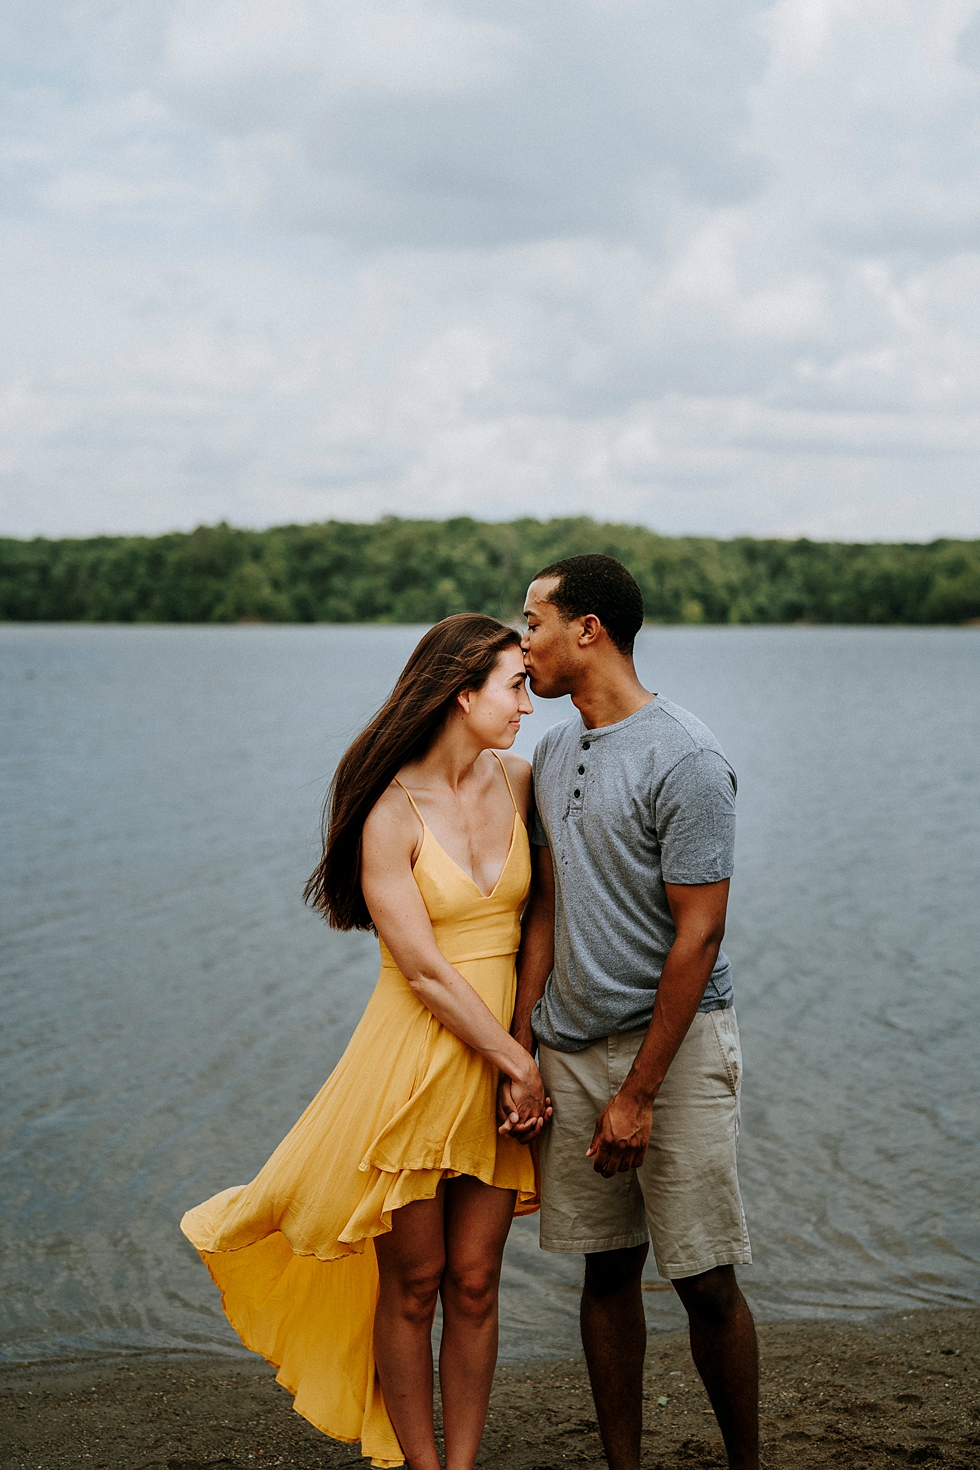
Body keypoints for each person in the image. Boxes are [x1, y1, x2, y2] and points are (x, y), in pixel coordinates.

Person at [181, 614, 551, 1470]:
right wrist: (515, 1060)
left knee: (476, 1280)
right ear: (463, 694)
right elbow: (421, 970)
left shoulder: (524, 782)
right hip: (413, 1067)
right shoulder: (390, 810)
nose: (527, 705)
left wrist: (522, 1046)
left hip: (504, 1063)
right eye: (514, 686)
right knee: (414, 1283)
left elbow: (542, 922)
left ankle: (462, 1464)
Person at [502, 554, 759, 1470]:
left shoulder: (687, 757)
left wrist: (641, 1093)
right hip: (570, 1050)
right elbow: (547, 906)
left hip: (673, 1056)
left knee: (704, 1278)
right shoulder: (554, 749)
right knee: (604, 1273)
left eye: (532, 621)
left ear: (588, 630)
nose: (519, 640)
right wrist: (523, 1040)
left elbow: (700, 936)